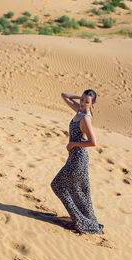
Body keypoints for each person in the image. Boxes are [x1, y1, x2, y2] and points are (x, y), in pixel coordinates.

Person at [50, 89, 104, 234]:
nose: (82, 103)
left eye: (87, 102)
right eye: (82, 100)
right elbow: (64, 95)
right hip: (75, 157)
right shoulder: (79, 111)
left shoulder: (85, 117)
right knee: (78, 190)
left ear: (93, 104)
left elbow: (93, 142)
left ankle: (80, 222)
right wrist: (81, 98)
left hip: (78, 157)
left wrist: (73, 144)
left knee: (57, 185)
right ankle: (88, 222)